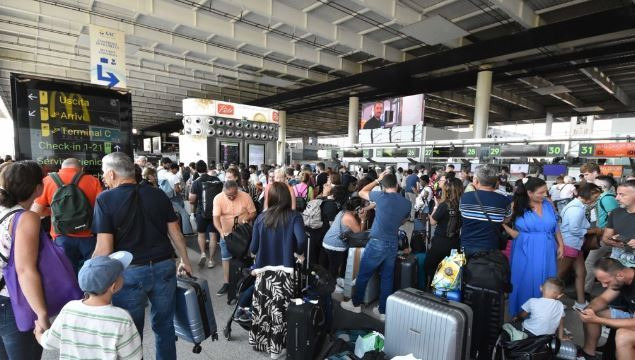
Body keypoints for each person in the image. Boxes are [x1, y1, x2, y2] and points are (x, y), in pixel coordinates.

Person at [92, 152, 193, 360]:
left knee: (131, 332)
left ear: (111, 174)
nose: (102, 177)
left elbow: (103, 248)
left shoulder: (105, 200)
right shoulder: (157, 194)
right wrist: (185, 260)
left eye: (103, 173)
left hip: (129, 274)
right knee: (165, 325)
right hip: (164, 267)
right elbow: (175, 233)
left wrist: (91, 280)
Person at [35, 251, 142, 359]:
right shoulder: (122, 318)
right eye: (120, 274)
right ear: (113, 287)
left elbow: (49, 342)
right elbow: (133, 356)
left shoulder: (69, 309)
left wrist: (39, 334)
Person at [340, 172, 411, 320]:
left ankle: (356, 304)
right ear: (397, 186)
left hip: (377, 242)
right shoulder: (406, 203)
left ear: (383, 187)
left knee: (363, 275)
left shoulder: (380, 197)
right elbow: (404, 221)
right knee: (387, 277)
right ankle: (383, 311)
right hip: (392, 243)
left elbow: (361, 192)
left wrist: (377, 180)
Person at [248, 182, 306, 359]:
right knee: (279, 309)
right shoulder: (295, 216)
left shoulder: (261, 218)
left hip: (263, 272)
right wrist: (297, 252)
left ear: (270, 198)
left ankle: (258, 342)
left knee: (263, 307)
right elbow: (301, 239)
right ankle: (276, 349)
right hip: (285, 272)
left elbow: (254, 246)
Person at [0, 161, 49, 359]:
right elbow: (25, 270)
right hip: (12, 301)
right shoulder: (26, 218)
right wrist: (42, 313)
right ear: (38, 188)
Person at [504, 177, 564, 316]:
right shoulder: (516, 205)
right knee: (524, 278)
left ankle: (543, 314)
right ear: (529, 193)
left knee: (546, 279)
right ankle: (522, 313)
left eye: (546, 192)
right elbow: (502, 221)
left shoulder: (548, 203)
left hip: (548, 246)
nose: (545, 195)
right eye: (541, 192)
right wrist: (513, 233)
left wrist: (561, 244)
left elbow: (555, 226)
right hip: (524, 246)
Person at [31, 158, 102, 275]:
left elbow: (36, 211)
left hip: (61, 236)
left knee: (67, 274)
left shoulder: (48, 181)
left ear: (61, 169)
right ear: (81, 169)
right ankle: (89, 293)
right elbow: (100, 209)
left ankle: (73, 293)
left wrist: (53, 212)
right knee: (92, 273)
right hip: (88, 235)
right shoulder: (93, 180)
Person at [558, 183, 602, 311]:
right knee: (559, 275)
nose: (596, 199)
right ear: (589, 194)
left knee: (581, 273)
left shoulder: (579, 206)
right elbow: (574, 230)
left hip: (575, 245)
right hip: (570, 245)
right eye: (595, 196)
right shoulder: (576, 209)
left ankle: (581, 303)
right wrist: (594, 231)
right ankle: (548, 300)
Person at [579, 258, 635, 359]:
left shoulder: (623, 278)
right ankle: (588, 354)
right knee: (590, 312)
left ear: (620, 275)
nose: (604, 286)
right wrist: (590, 309)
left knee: (622, 336)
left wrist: (598, 319)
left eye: (607, 282)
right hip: (631, 315)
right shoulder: (623, 277)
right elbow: (603, 298)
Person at [213, 180, 257, 296]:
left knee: (243, 258)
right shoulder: (218, 198)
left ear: (237, 190)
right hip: (227, 234)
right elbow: (216, 218)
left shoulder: (245, 196)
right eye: (229, 196)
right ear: (223, 191)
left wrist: (247, 218)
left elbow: (253, 212)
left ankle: (244, 282)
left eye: (234, 195)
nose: (232, 197)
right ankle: (227, 283)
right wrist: (221, 232)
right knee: (226, 258)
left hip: (243, 235)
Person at [459, 165, 512, 254]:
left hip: (467, 248)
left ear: (475, 181)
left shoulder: (464, 198)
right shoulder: (504, 200)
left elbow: (462, 215)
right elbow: (507, 219)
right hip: (491, 249)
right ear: (496, 182)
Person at [585, 175, 621, 294]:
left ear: (602, 186)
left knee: (590, 262)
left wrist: (606, 234)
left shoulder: (607, 198)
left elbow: (614, 218)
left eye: (595, 184)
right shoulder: (603, 197)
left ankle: (585, 291)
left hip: (606, 236)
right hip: (606, 235)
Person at [424, 178, 463, 288]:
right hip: (455, 243)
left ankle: (433, 288)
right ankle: (444, 290)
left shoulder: (444, 205)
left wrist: (435, 206)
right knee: (449, 271)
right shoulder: (462, 205)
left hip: (440, 243)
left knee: (429, 266)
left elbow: (432, 221)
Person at [321, 196, 369, 279]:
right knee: (333, 269)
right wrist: (363, 219)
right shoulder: (349, 217)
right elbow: (360, 234)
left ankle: (330, 283)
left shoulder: (342, 212)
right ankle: (331, 286)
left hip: (328, 241)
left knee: (330, 267)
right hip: (335, 245)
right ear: (358, 208)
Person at [189, 160, 222, 269]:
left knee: (201, 234)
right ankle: (211, 260)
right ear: (206, 168)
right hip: (215, 213)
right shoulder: (216, 180)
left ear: (196, 169)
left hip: (201, 212)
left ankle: (203, 253)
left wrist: (192, 213)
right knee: (213, 236)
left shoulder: (196, 182)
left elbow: (192, 200)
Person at [601, 180, 635, 269]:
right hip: (617, 267)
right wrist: (615, 243)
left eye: (622, 195)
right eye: (617, 194)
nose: (616, 198)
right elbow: (606, 238)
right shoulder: (615, 212)